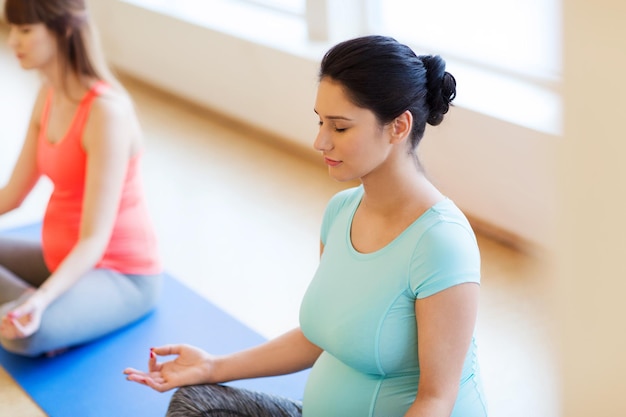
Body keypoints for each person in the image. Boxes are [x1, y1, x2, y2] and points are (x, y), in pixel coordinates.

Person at [124, 35, 488, 417]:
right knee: (195, 402)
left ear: (398, 127)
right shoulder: (342, 211)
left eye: (340, 128)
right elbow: (320, 338)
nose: (320, 141)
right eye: (320, 122)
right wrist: (212, 366)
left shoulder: (442, 243)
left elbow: (436, 401)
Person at [0, 0, 163, 358]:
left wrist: (42, 299)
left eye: (25, 30)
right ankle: (36, 307)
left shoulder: (106, 113)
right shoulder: (48, 95)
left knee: (20, 337)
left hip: (121, 273)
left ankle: (38, 308)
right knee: (19, 322)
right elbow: (12, 195)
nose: (13, 40)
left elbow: (94, 239)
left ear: (64, 29)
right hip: (60, 258)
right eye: (13, 29)